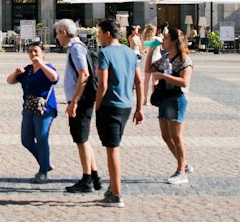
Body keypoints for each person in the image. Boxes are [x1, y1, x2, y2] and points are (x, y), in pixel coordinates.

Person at [94, 18, 144, 207]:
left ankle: (116, 194)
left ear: (107, 33)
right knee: (113, 145)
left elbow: (103, 84)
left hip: (110, 105)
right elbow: (138, 82)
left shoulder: (105, 53)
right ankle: (112, 188)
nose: (98, 36)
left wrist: (97, 106)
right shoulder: (130, 53)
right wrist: (139, 108)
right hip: (126, 106)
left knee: (112, 150)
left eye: (99, 33)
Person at [54, 18, 101, 193]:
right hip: (81, 99)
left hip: (80, 100)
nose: (56, 37)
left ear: (63, 32)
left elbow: (84, 74)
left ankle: (86, 179)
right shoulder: (76, 47)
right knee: (83, 138)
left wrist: (74, 101)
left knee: (80, 139)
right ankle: (94, 176)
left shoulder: (75, 48)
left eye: (57, 33)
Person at [147, 23, 194, 184]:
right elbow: (149, 69)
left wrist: (164, 76)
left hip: (176, 99)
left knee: (176, 136)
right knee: (166, 136)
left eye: (166, 38)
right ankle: (184, 163)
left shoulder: (184, 59)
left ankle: (181, 171)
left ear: (174, 41)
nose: (163, 40)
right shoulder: (166, 58)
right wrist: (152, 49)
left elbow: (184, 81)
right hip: (164, 98)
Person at [7, 39, 59, 184]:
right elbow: (10, 81)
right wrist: (16, 73)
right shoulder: (28, 69)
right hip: (29, 107)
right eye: (30, 51)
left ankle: (43, 172)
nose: (32, 54)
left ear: (43, 53)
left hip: (45, 109)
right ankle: (45, 162)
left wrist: (41, 63)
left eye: (36, 51)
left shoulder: (47, 67)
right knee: (26, 140)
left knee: (42, 138)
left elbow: (54, 78)